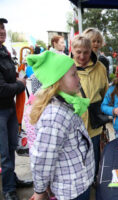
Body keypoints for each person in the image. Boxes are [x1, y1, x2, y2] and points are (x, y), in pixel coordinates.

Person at [28, 51, 94, 200]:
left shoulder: (66, 103)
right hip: (71, 191)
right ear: (57, 80)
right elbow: (43, 158)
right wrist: (40, 191)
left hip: (78, 184)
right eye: (73, 75)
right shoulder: (55, 116)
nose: (79, 79)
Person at [0, 17, 33, 200]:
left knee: (12, 147)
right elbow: (2, 88)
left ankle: (12, 180)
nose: (2, 31)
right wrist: (20, 84)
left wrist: (17, 77)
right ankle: (8, 190)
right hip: (1, 111)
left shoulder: (4, 51)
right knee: (4, 153)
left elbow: (8, 80)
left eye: (3, 28)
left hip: (10, 108)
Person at [71, 35, 109, 186]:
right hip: (74, 119)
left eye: (85, 52)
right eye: (78, 51)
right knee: (74, 155)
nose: (82, 56)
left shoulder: (100, 67)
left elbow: (106, 93)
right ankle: (77, 182)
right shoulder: (67, 67)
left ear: (91, 51)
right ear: (72, 50)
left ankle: (91, 180)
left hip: (94, 121)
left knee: (93, 154)